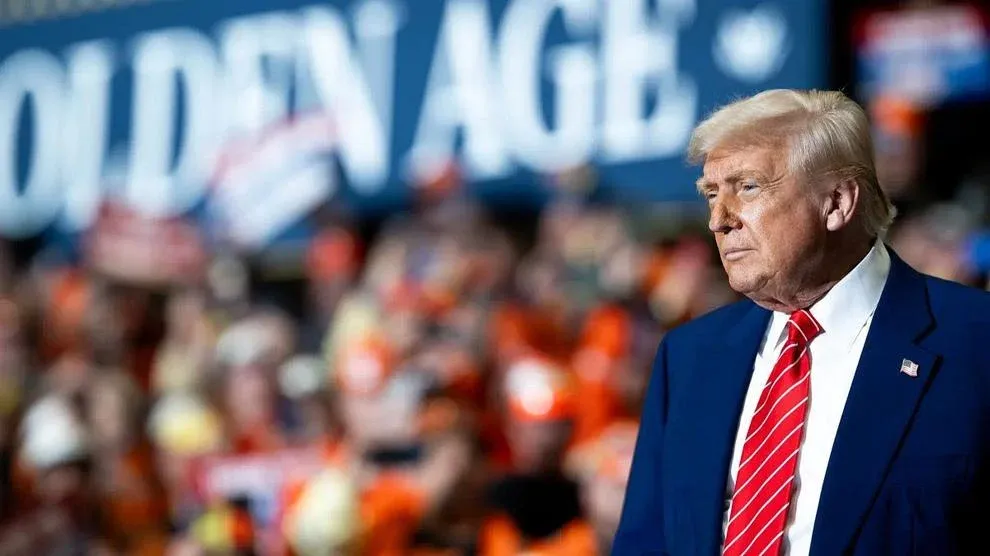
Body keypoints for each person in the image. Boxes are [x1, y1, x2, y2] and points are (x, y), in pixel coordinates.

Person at [613, 89, 990, 556]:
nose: (718, 220)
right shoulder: (689, 357)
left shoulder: (974, 342)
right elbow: (647, 542)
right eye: (712, 193)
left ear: (836, 202)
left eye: (746, 186)